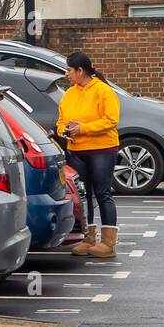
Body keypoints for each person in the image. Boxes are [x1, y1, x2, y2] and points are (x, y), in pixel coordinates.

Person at [56, 51, 120, 258]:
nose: (67, 74)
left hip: (101, 149)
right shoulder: (70, 94)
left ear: (80, 70)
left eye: (69, 70)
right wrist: (63, 131)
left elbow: (111, 120)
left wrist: (82, 128)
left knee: (103, 193)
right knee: (85, 196)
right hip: (77, 150)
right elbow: (60, 122)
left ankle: (108, 244)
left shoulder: (103, 91)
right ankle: (89, 238)